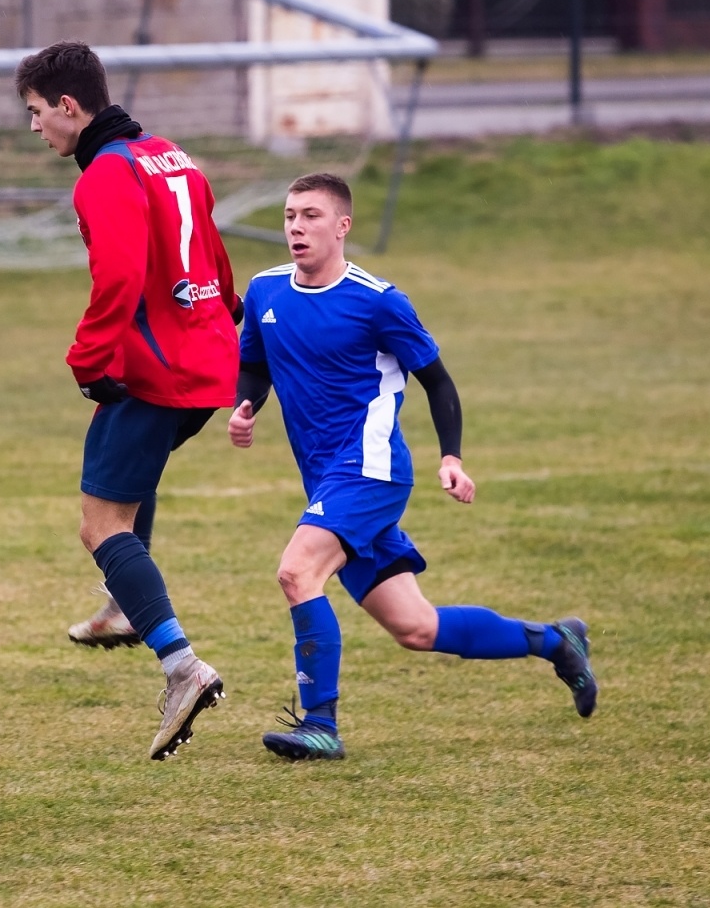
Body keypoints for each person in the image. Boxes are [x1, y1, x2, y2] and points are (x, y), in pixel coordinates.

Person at [227, 172, 598, 762]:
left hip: (372, 470)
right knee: (416, 628)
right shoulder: (267, 291)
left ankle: (320, 724)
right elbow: (256, 364)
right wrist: (246, 407)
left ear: (342, 226)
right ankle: (557, 642)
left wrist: (450, 457)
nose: (296, 226)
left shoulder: (378, 301)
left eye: (311, 216)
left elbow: (438, 382)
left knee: (298, 573)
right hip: (328, 477)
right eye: (291, 215)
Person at [16, 40, 243, 760]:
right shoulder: (172, 156)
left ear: (70, 107)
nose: (34, 128)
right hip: (205, 359)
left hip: (160, 369)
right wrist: (226, 319)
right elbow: (213, 252)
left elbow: (118, 276)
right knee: (124, 478)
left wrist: (87, 357)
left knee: (99, 523)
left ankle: (181, 667)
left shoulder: (104, 176)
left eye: (36, 113)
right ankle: (123, 607)